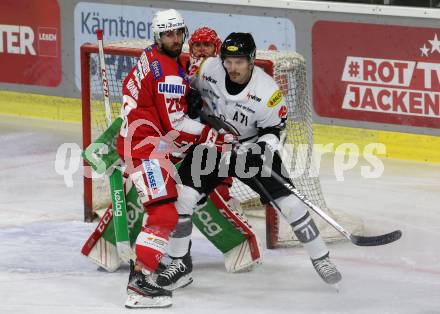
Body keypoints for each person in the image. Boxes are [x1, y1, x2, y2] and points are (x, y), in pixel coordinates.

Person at [157, 32, 342, 289]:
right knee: (184, 195)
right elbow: (184, 90)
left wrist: (256, 150)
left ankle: (321, 258)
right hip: (214, 148)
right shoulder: (208, 69)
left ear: (252, 60)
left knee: (290, 204)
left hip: (252, 151)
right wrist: (191, 104)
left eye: (239, 62)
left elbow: (276, 132)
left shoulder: (267, 92)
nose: (233, 68)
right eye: (229, 61)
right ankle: (178, 261)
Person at [117, 9, 231, 308]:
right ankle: (140, 283)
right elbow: (177, 126)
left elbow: (178, 77)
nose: (176, 38)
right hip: (144, 149)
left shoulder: (159, 59)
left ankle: (177, 266)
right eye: (169, 34)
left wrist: (191, 91)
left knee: (180, 199)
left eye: (180, 32)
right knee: (164, 214)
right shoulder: (167, 73)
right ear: (158, 36)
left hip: (150, 142)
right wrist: (215, 135)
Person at [156, 26, 262, 291]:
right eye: (197, 45)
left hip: (217, 144)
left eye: (208, 45)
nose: (201, 50)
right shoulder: (181, 66)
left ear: (217, 51)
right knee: (175, 195)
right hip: (187, 143)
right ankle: (180, 252)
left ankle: (230, 213)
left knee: (209, 191)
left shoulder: (225, 73)